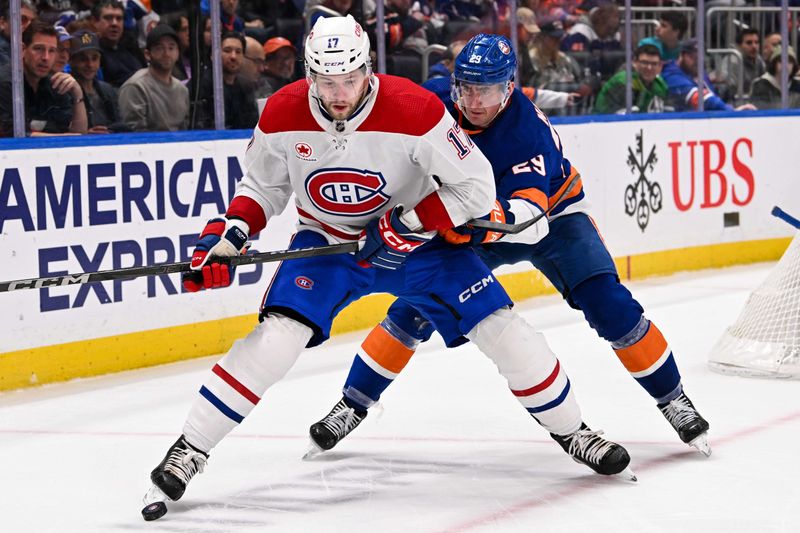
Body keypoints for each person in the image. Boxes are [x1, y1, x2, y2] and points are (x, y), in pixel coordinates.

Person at [142, 17, 633, 521]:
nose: (339, 94)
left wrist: (414, 221)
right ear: (309, 74)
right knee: (276, 338)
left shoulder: (416, 110)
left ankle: (575, 432)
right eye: (327, 81)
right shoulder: (283, 111)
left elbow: (477, 189)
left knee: (505, 330)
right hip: (331, 244)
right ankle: (191, 448)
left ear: (367, 69)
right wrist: (232, 234)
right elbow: (263, 187)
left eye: (349, 79)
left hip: (420, 248)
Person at [306, 33, 711, 461]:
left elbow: (529, 219)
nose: (474, 101)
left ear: (510, 86)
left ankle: (673, 398)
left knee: (610, 306)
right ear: (454, 81)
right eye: (466, 87)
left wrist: (472, 229)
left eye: (489, 89)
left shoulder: (526, 132)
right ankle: (352, 404)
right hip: (472, 219)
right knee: (413, 309)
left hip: (552, 220)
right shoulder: (433, 102)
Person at [0, 20, 87, 136]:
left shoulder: (54, 83)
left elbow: (80, 134)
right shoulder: (5, 83)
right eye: (39, 49)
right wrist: (61, 139)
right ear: (22, 50)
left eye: (51, 51)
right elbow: (12, 134)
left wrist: (78, 94)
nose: (46, 57)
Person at [118, 23, 188, 131]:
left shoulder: (182, 89)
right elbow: (135, 133)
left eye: (171, 47)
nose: (166, 53)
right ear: (147, 54)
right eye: (160, 48)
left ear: (178, 53)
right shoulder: (136, 86)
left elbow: (184, 129)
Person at [662, 39, 756, 112]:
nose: (697, 62)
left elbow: (712, 95)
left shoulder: (697, 71)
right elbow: (702, 99)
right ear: (681, 55)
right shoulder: (671, 74)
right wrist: (732, 111)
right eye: (692, 57)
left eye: (700, 58)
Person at [196, 31, 259, 129]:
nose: (233, 56)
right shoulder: (200, 85)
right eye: (227, 50)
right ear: (213, 55)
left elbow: (252, 122)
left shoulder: (246, 86)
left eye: (238, 52)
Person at [68, 29, 124, 133]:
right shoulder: (64, 91)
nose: (90, 65)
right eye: (83, 59)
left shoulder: (108, 90)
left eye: (94, 58)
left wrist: (109, 130)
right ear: (71, 61)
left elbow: (121, 123)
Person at [594, 43, 667, 114]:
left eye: (654, 64)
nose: (649, 68)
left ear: (660, 66)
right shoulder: (623, 81)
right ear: (634, 62)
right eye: (644, 62)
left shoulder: (660, 86)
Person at [92, 0, 145, 87]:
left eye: (119, 18)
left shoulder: (131, 45)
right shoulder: (91, 50)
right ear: (95, 21)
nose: (114, 23)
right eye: (108, 18)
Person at [713, 28, 765, 103]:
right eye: (749, 43)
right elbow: (731, 88)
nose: (754, 46)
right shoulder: (733, 60)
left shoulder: (758, 59)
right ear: (739, 46)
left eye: (756, 42)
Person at [750, 45, 800, 109]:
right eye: (780, 61)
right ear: (774, 64)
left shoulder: (798, 85)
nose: (785, 65)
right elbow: (760, 110)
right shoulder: (760, 84)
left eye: (790, 62)